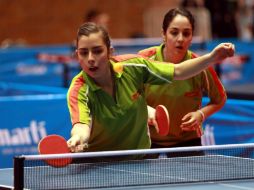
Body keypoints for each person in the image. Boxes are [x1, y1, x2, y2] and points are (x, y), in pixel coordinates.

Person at [66, 22, 234, 154]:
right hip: (97, 162)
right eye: (83, 53)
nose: (90, 59)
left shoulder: (133, 66)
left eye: (97, 51)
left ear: (109, 51)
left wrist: (211, 58)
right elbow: (82, 125)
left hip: (138, 158)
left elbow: (178, 71)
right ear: (77, 55)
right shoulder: (79, 89)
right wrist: (77, 138)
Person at [138, 8, 227, 157]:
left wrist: (201, 114)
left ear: (191, 37)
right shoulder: (144, 60)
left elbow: (220, 99)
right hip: (147, 139)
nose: (180, 39)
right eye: (174, 32)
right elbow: (129, 95)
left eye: (186, 33)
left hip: (187, 141)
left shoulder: (200, 65)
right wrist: (144, 109)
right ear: (163, 34)